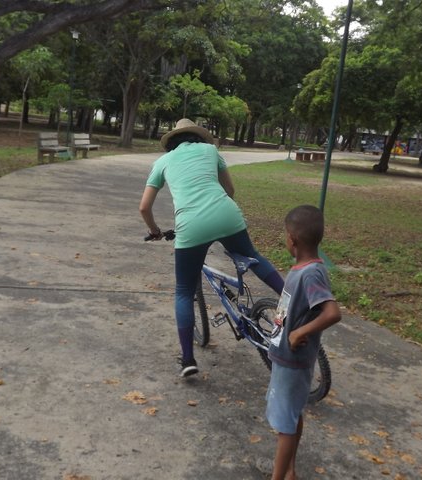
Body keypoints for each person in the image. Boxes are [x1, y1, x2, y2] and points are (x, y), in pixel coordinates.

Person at [139, 118, 285, 377]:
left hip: (192, 226)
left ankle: (188, 360)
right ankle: (292, 301)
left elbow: (144, 207)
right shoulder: (210, 151)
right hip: (226, 213)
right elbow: (229, 188)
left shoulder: (162, 162)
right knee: (253, 256)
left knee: (184, 290)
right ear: (197, 136)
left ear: (172, 140)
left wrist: (154, 231)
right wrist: (219, 215)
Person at [266, 205, 341, 480]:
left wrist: (299, 333)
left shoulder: (310, 274)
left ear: (292, 239)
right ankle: (290, 472)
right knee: (292, 413)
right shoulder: (303, 269)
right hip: (287, 357)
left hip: (293, 361)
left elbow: (332, 312)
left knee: (285, 422)